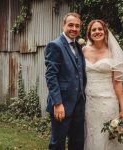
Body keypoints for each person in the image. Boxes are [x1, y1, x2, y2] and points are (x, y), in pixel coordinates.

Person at [83, 20, 123, 150]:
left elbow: (117, 83)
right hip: (90, 102)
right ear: (89, 33)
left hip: (108, 102)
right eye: (94, 30)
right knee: (93, 133)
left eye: (99, 29)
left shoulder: (112, 53)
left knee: (109, 136)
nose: (97, 32)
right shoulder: (83, 51)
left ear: (105, 31)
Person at [44, 12, 87, 150]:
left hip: (79, 105)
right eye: (71, 25)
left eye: (77, 26)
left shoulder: (78, 46)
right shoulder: (54, 45)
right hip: (62, 105)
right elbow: (51, 76)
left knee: (77, 143)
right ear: (63, 25)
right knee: (58, 144)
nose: (74, 28)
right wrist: (58, 103)